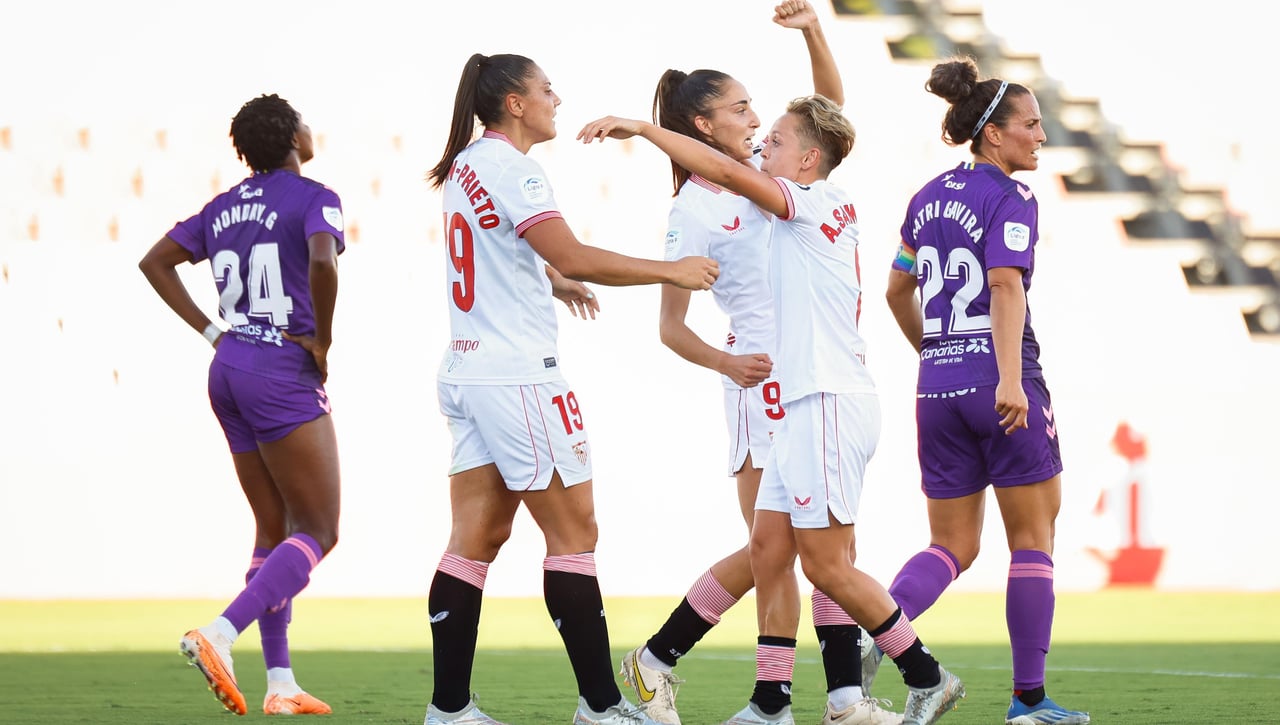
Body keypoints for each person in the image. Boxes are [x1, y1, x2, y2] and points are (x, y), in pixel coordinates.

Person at [579, 94, 964, 725]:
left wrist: (644, 129)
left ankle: (924, 677)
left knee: (826, 563)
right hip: (792, 399)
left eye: (777, 139)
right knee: (771, 546)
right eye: (751, 119)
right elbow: (794, 141)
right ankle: (769, 701)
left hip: (822, 400)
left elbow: (744, 168)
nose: (763, 142)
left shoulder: (806, 202)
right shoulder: (796, 201)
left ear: (808, 158)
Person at [612, 3, 897, 725]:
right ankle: (675, 664)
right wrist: (725, 360)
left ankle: (833, 698)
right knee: (779, 547)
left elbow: (827, 117)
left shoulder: (777, 176)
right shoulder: (697, 210)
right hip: (764, 382)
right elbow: (670, 327)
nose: (755, 116)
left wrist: (812, 32)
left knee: (825, 542)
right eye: (740, 108)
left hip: (817, 374)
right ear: (703, 127)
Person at [422, 53, 720, 725]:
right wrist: (670, 270)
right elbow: (575, 252)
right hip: (519, 374)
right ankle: (602, 706)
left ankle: (449, 710)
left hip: (468, 368)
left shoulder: (464, 166)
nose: (556, 97)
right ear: (515, 104)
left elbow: (496, 253)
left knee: (476, 535)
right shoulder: (513, 167)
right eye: (545, 89)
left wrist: (548, 283)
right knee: (575, 531)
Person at [880, 57, 1090, 725]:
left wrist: (940, 355)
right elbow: (1004, 285)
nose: (1040, 135)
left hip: (937, 383)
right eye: (1030, 124)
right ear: (994, 134)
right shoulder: (1012, 197)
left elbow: (895, 289)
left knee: (952, 545)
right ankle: (1029, 699)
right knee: (1032, 539)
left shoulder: (925, 196)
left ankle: (871, 630)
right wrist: (1003, 377)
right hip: (1003, 381)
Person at [138, 93, 343, 717]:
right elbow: (321, 258)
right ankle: (221, 634)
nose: (311, 128)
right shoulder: (315, 196)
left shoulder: (223, 206)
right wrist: (323, 339)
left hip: (227, 367)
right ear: (290, 138)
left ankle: (280, 683)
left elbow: (155, 261)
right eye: (302, 120)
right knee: (320, 531)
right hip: (282, 367)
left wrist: (211, 332)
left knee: (273, 528)